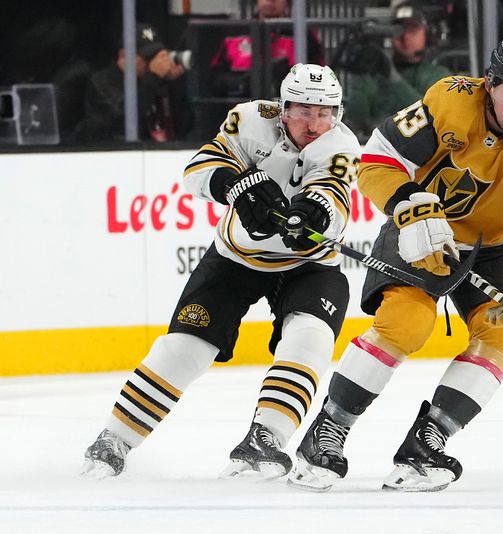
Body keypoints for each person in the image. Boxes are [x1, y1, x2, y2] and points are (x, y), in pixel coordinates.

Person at [287, 33, 503, 492]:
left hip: (493, 246)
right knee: (406, 324)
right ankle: (327, 433)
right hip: (419, 225)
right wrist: (409, 205)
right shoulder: (450, 98)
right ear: (489, 83)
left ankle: (427, 441)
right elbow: (378, 159)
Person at [82, 64, 361, 479]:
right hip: (235, 259)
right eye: (304, 110)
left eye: (325, 112)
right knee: (185, 347)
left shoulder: (341, 144)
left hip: (309, 266)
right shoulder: (249, 119)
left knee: (311, 338)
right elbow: (197, 170)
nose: (315, 123)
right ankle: (115, 437)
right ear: (282, 108)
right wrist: (238, 185)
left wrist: (313, 217)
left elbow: (333, 201)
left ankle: (264, 438)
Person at [342, 1, 449, 139]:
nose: (405, 37)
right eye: (399, 30)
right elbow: (355, 121)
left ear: (428, 34)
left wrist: (393, 78)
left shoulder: (439, 76)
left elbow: (428, 118)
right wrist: (359, 77)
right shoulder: (375, 73)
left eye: (413, 30)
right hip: (374, 146)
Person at [73, 23, 190, 142]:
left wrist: (172, 82)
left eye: (156, 56)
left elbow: (185, 124)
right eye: (147, 57)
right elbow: (125, 115)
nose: (152, 63)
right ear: (123, 55)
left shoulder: (157, 82)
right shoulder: (102, 81)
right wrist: (153, 78)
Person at [210, 0, 326, 99]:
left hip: (287, 110)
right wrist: (240, 83)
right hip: (239, 108)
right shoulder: (234, 33)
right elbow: (215, 76)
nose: (271, 0)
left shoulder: (303, 35)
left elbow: (317, 77)